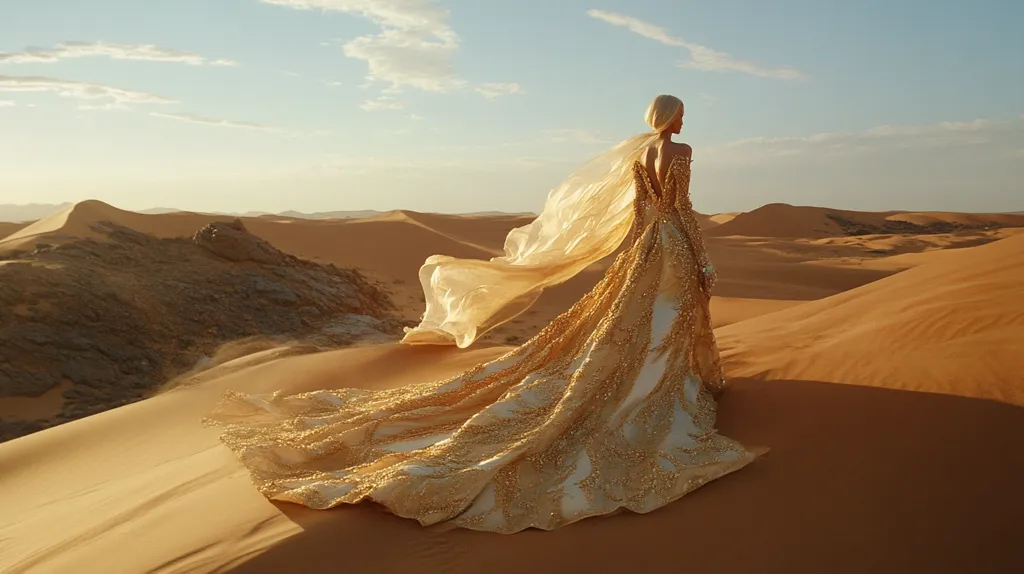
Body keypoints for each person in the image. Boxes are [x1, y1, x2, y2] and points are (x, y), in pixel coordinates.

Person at [205, 94, 763, 534]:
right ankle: (661, 384)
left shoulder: (638, 154)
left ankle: (658, 375)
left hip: (642, 245)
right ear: (672, 119)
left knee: (633, 317)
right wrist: (701, 260)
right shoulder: (679, 154)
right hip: (669, 246)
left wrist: (646, 244)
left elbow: (643, 209)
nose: (685, 124)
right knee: (665, 314)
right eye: (683, 115)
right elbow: (681, 211)